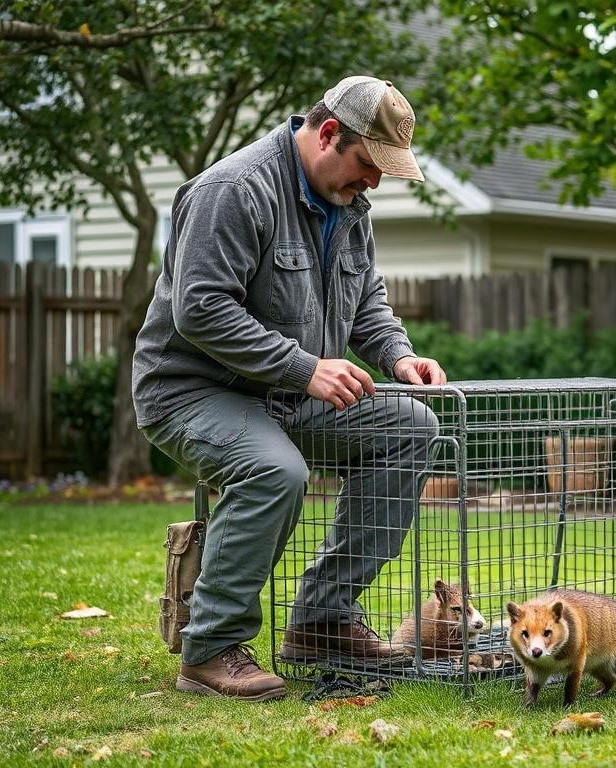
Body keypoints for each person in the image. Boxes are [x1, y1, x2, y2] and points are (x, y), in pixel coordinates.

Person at [133, 75, 446, 701]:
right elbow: (201, 310)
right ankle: (211, 649)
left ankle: (322, 622)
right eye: (367, 165)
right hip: (192, 390)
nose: (374, 183)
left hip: (286, 395)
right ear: (328, 133)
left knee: (412, 427)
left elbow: (366, 304)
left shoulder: (350, 208)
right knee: (275, 469)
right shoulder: (234, 190)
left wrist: (400, 355)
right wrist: (306, 368)